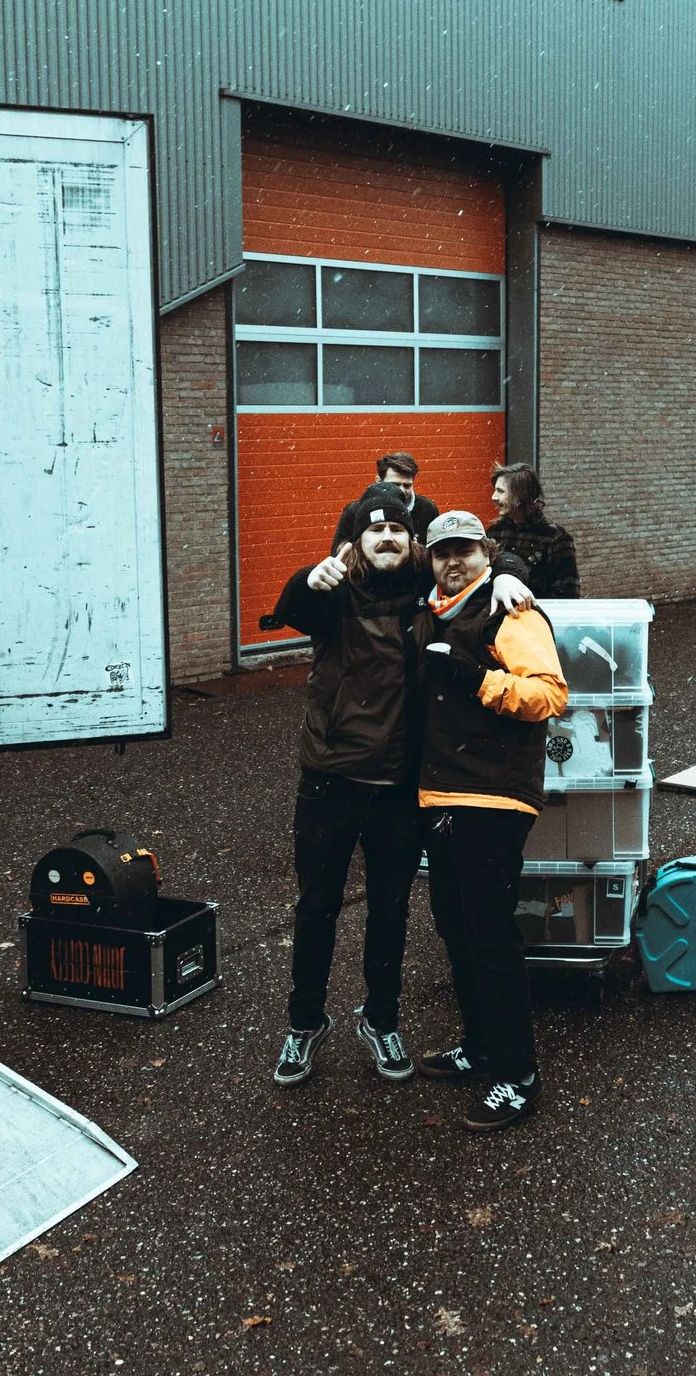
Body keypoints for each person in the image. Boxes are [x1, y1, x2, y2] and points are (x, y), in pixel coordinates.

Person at [264, 489, 431, 1086]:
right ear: (355, 540)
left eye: (397, 530)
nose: (387, 538)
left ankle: (380, 1020)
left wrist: (512, 576)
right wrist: (311, 576)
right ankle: (304, 1024)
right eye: (375, 529)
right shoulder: (333, 593)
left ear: (413, 540)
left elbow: (486, 561)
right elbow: (291, 604)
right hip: (330, 779)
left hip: (399, 786)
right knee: (316, 907)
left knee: (389, 911)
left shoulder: (429, 589)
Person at [409, 510, 568, 1131]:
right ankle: (478, 1047)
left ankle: (516, 1074)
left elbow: (550, 695)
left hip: (493, 797)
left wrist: (475, 678)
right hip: (440, 796)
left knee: (490, 935)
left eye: (467, 552)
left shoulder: (512, 611)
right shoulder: (431, 613)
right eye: (444, 552)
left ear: (487, 553)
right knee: (455, 927)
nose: (454, 562)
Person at [486, 462, 579, 599]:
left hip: (534, 617)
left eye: (500, 491)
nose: (494, 497)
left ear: (520, 495)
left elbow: (567, 594)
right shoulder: (494, 532)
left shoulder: (555, 538)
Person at [331, 452, 439, 550]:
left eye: (407, 486)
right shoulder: (354, 511)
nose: (401, 491)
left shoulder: (427, 509)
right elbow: (338, 553)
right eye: (394, 485)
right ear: (378, 481)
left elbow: (437, 552)